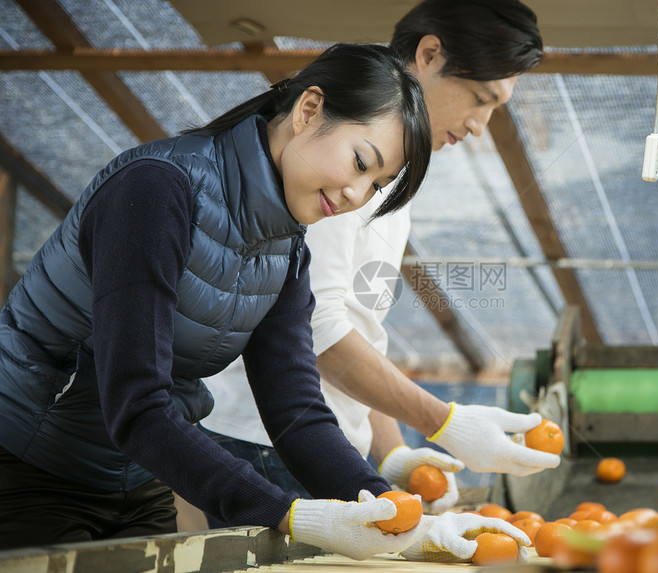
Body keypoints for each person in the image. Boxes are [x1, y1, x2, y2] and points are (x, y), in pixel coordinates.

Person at [0, 43, 532, 561]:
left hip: (137, 480)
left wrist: (403, 516)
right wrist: (290, 513)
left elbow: (297, 412)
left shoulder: (287, 250)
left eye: (377, 184)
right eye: (360, 161)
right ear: (308, 110)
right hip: (27, 468)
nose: (355, 195)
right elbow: (138, 405)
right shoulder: (156, 191)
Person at [200, 0, 559, 521]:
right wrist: (444, 420)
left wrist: (389, 452)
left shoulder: (391, 174)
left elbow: (354, 328)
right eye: (481, 99)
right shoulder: (341, 165)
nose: (481, 125)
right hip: (269, 441)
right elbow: (317, 329)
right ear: (431, 54)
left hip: (315, 441)